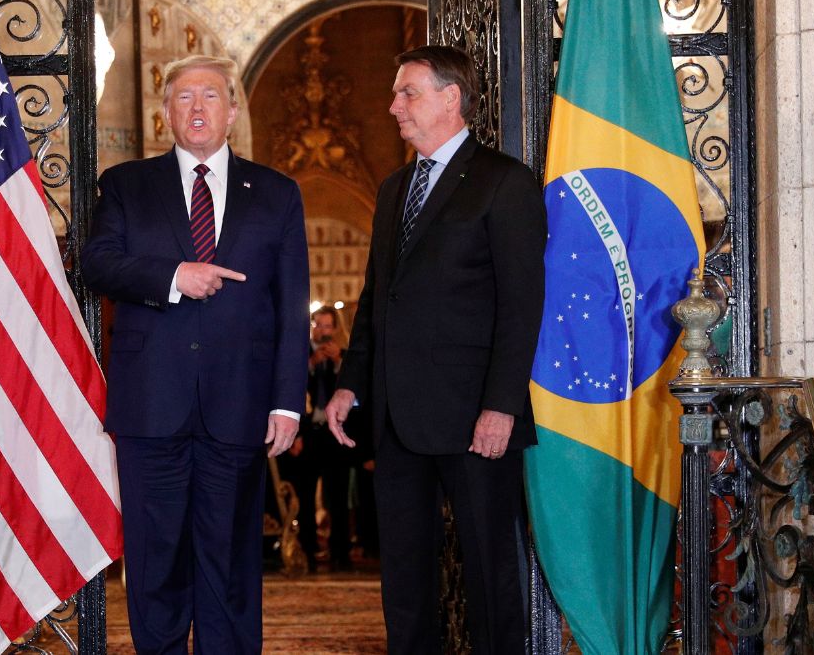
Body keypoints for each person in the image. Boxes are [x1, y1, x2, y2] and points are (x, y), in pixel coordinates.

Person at [81, 54, 310, 655]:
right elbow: (98, 263)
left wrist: (288, 402)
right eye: (184, 97)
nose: (198, 107)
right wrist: (175, 276)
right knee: (155, 565)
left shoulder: (278, 195)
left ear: (232, 112)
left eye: (211, 96)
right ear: (166, 115)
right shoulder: (128, 185)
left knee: (230, 564)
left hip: (239, 404)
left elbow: (292, 305)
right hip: (151, 406)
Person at [325, 45, 547, 654]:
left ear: (451, 99)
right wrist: (350, 383)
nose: (394, 106)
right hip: (397, 418)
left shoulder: (505, 182)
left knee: (489, 571)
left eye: (407, 93)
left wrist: (501, 406)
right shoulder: (396, 187)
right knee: (404, 579)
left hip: (476, 417)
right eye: (397, 94)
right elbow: (378, 298)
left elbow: (522, 305)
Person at [279, 305, 351, 571]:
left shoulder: (344, 356)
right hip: (308, 436)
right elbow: (291, 389)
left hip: (335, 436)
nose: (322, 330)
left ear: (335, 328)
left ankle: (340, 554)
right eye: (317, 324)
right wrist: (310, 365)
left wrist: (337, 362)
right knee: (306, 497)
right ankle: (307, 552)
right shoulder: (301, 355)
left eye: (327, 325)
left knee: (338, 497)